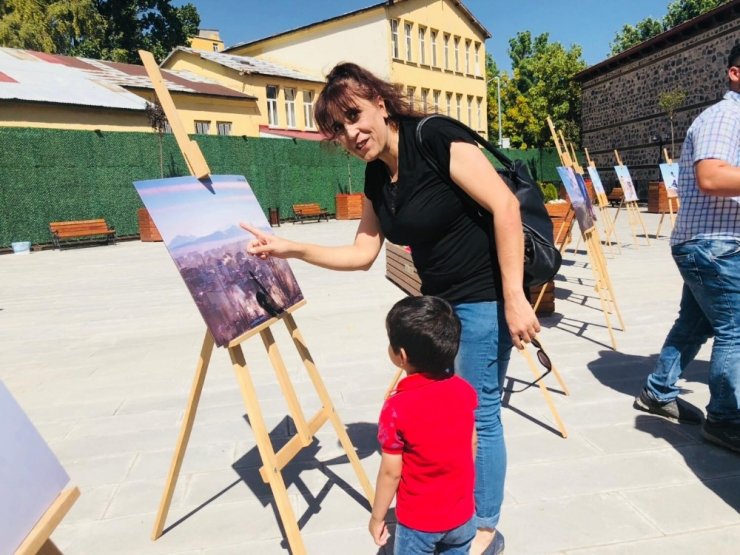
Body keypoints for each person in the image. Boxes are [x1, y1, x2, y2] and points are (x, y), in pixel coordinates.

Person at [241, 62, 539, 553]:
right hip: (439, 307)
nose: (352, 134)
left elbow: (505, 207)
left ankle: (483, 525)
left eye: (355, 116)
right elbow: (362, 254)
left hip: (484, 296)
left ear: (381, 103)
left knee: (479, 412)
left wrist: (514, 298)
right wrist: (290, 248)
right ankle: (455, 507)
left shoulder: (434, 137)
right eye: (338, 129)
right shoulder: (378, 178)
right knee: (451, 411)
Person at [634, 43, 740, 453]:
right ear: (734, 73)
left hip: (711, 244)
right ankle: (726, 419)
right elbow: (712, 176)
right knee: (735, 330)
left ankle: (657, 392)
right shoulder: (726, 116)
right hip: (716, 246)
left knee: (695, 325)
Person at [370, 295, 479, 554]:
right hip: (463, 514)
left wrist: (377, 516)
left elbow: (391, 472)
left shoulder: (397, 408)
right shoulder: (465, 391)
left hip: (420, 522)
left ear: (402, 356)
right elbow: (472, 442)